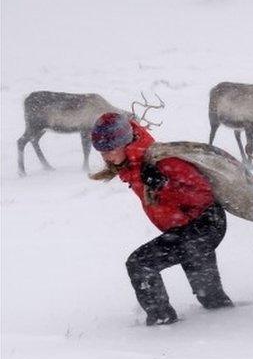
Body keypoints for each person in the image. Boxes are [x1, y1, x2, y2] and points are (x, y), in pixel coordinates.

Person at [90, 113, 233, 325]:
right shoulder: (133, 160)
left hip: (204, 225)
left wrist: (164, 185)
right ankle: (230, 321)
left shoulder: (161, 159)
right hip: (187, 228)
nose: (105, 156)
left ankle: (161, 322)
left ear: (124, 142)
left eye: (109, 149)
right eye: (101, 151)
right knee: (210, 298)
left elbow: (204, 193)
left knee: (140, 264)